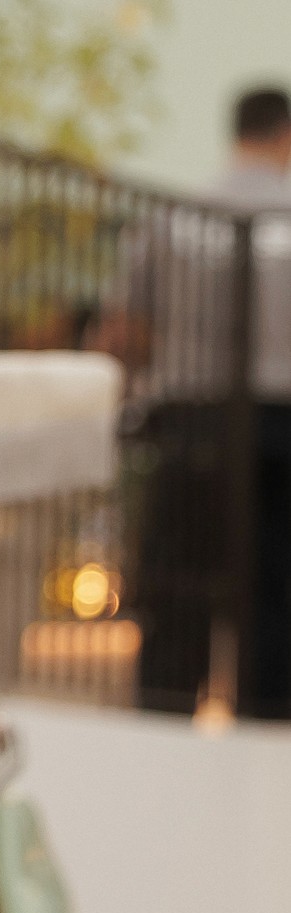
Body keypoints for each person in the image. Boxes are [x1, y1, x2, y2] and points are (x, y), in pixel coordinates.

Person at [108, 84, 291, 721]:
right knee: (278, 593)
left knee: (177, 585)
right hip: (282, 421)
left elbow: (127, 329)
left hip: (192, 417)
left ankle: (162, 719)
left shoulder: (172, 216)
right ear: (285, 136)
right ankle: (271, 729)